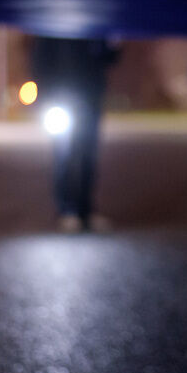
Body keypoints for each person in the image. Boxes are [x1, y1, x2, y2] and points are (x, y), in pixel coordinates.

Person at [31, 36, 119, 232]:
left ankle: (86, 209)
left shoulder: (95, 31)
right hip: (62, 97)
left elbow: (110, 59)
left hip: (90, 99)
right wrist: (45, 95)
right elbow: (39, 61)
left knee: (89, 155)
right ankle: (66, 210)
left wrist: (114, 44)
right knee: (64, 155)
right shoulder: (52, 29)